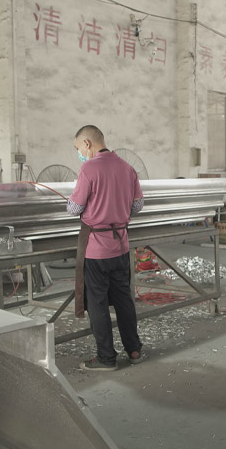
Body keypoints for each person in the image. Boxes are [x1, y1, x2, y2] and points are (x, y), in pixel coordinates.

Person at [67, 125, 145, 371]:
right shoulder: (127, 168)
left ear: (87, 143)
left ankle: (106, 358)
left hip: (96, 250)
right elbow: (137, 206)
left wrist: (71, 203)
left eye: (78, 148)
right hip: (121, 247)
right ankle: (134, 349)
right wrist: (117, 211)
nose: (80, 153)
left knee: (97, 303)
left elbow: (75, 208)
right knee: (123, 299)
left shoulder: (89, 168)